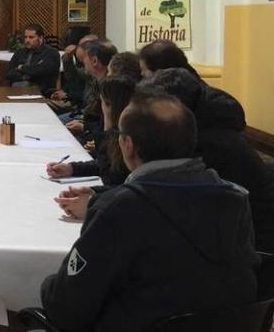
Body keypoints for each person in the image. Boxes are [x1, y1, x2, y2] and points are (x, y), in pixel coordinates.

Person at [41, 92, 258, 331]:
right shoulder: (236, 198)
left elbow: (66, 308)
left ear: (128, 145)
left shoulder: (120, 208)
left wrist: (45, 284)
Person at [141, 67, 274, 252]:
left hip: (251, 249)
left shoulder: (207, 146)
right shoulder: (209, 125)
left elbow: (171, 200)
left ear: (173, 110)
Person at [46, 75, 135, 188]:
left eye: (101, 102)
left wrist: (93, 192)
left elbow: (121, 185)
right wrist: (72, 168)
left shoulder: (126, 140)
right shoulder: (114, 136)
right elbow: (103, 166)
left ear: (108, 106)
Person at [5, 24, 60, 94]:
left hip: (42, 92)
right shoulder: (20, 52)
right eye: (25, 37)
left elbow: (41, 71)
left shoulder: (51, 53)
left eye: (31, 37)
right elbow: (9, 73)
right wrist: (26, 76)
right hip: (16, 91)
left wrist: (21, 68)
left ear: (40, 38)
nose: (27, 40)